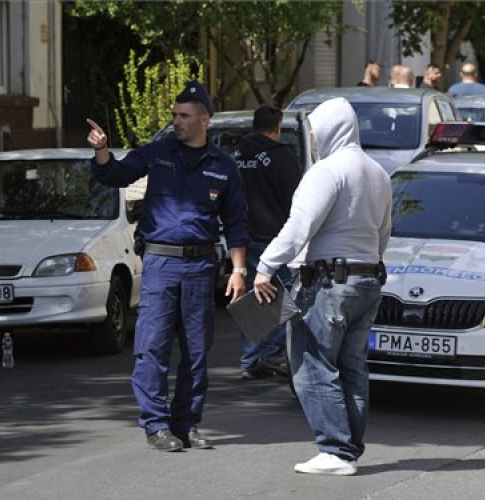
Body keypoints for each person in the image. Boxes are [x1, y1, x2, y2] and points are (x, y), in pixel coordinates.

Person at [86, 81, 249, 452]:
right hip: (160, 263)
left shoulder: (223, 166)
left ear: (204, 120)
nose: (176, 121)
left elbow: (237, 221)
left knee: (196, 349)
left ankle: (187, 424)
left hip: (201, 266)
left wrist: (238, 270)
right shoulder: (158, 153)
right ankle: (156, 425)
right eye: (174, 115)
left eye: (184, 116)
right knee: (152, 347)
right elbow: (115, 175)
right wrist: (101, 151)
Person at [253, 97, 391, 476]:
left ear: (328, 130)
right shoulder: (378, 173)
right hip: (367, 280)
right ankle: (348, 449)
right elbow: (384, 233)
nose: (312, 137)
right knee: (352, 368)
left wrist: (265, 266)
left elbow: (299, 228)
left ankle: (335, 451)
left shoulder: (326, 171)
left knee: (312, 364)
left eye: (314, 130)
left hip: (328, 282)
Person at [231, 105, 302, 380]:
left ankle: (252, 357)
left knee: (253, 297)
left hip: (244, 236)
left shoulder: (235, 155)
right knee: (281, 296)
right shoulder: (282, 156)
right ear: (278, 127)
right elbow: (297, 201)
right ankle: (268, 355)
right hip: (275, 236)